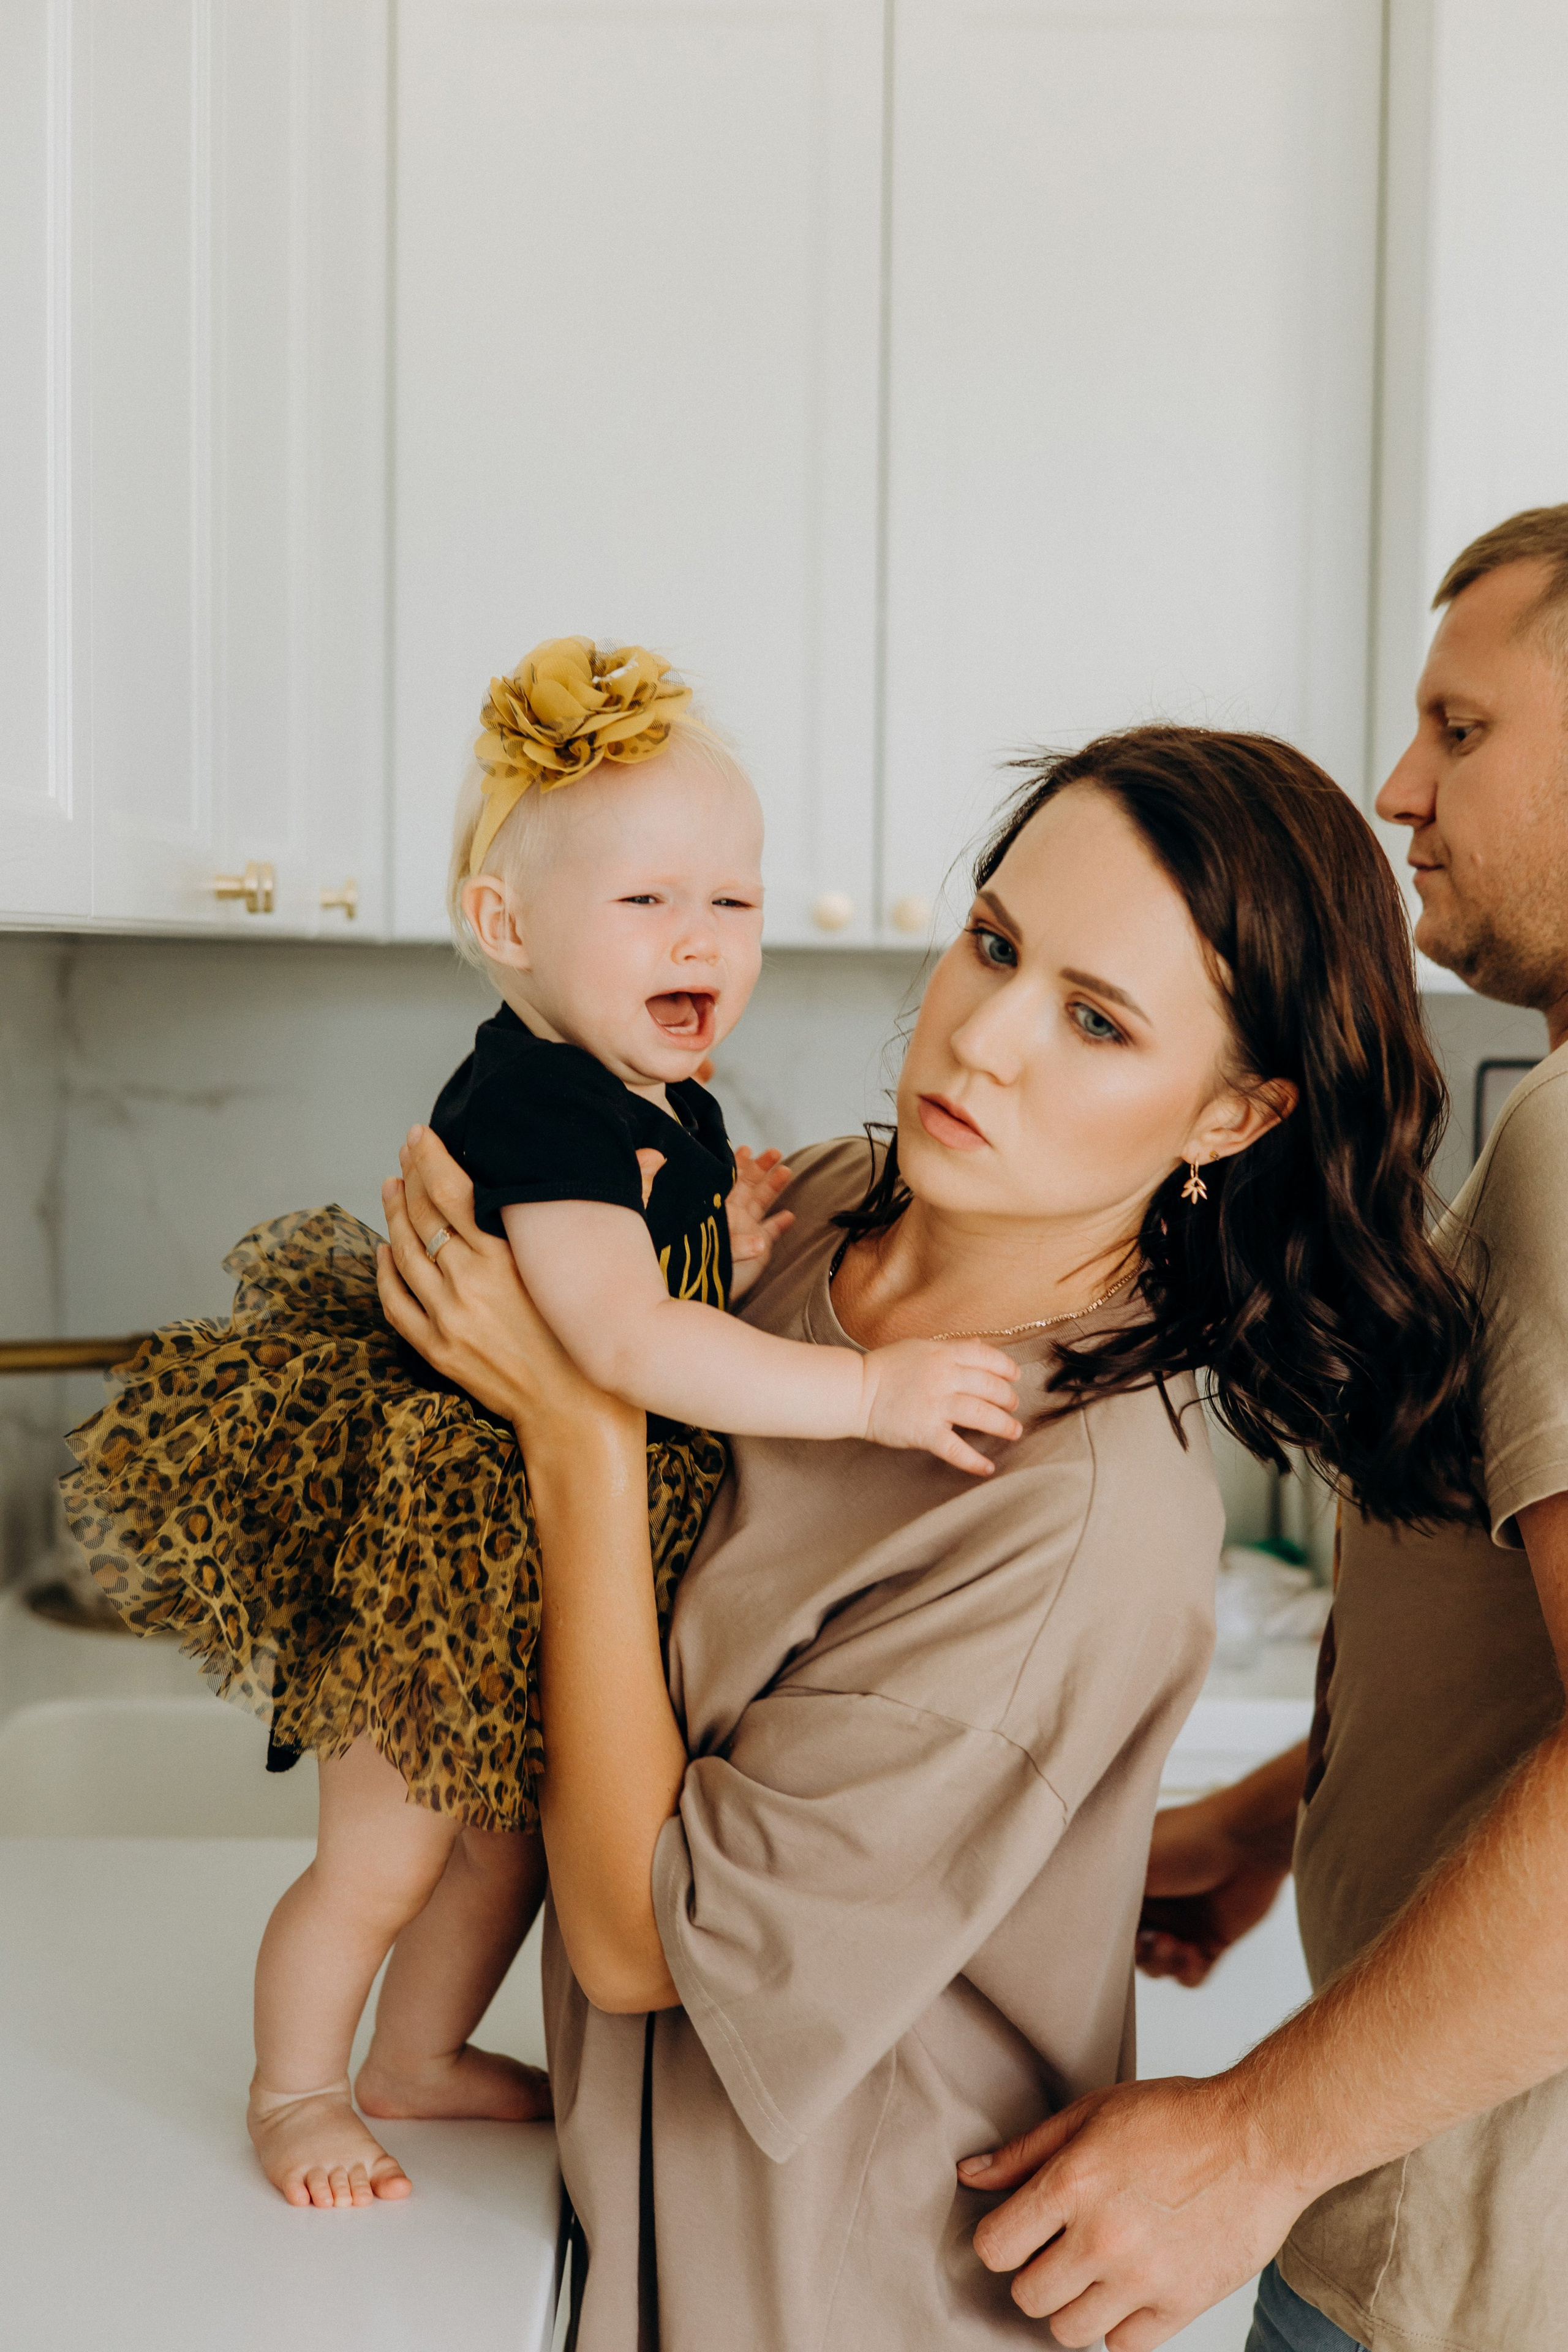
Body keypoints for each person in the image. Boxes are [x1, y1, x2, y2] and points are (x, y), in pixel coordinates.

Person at [375, 722, 1475, 2347]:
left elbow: (632, 1942)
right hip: (598, 2227)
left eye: (1095, 1020)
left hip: (839, 2298)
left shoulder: (1073, 1515)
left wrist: (577, 1432)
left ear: (1232, 1115)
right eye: (995, 943)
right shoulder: (808, 1209)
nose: (983, 1038)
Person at [60, 636, 1017, 2212]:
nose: (700, 934)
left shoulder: (654, 1092)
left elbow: (653, 1271)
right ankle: (295, 2088)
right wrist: (866, 1391)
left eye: (733, 899)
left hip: (522, 1546)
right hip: (439, 1542)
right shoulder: (543, 1103)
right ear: (507, 926)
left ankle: (412, 2062)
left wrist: (745, 1240)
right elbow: (623, 1334)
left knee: (502, 1844)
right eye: (646, 901)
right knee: (381, 1856)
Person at [963, 505, 1568, 2352]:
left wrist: (1250, 2139)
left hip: (1467, 2275)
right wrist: (1275, 1817)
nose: (1402, 786)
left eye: (1461, 730)